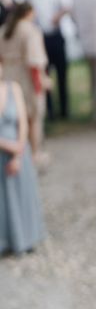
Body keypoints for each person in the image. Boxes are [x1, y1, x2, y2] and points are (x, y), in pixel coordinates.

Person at [0, 63, 45, 256]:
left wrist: (18, 150)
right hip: (3, 149)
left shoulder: (13, 88)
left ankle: (26, 237)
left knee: (22, 195)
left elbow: (23, 121)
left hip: (18, 149)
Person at [23, 0, 72, 120]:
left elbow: (67, 5)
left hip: (56, 34)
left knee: (62, 73)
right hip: (40, 37)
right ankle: (50, 109)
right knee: (44, 73)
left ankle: (65, 109)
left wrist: (57, 17)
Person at [0, 4, 49, 166]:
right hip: (25, 77)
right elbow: (34, 61)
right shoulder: (29, 30)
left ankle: (19, 151)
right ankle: (34, 152)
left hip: (7, 75)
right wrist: (40, 82)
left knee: (14, 117)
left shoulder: (5, 29)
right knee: (32, 117)